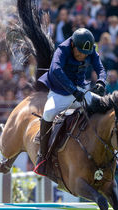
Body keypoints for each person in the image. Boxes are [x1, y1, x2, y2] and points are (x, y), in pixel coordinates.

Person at [35, 28, 105, 176]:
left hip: (80, 90)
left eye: (85, 54)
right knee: (48, 113)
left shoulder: (89, 49)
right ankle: (42, 157)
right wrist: (73, 90)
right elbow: (55, 70)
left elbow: (100, 68)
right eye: (79, 52)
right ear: (73, 45)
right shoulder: (63, 49)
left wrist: (101, 82)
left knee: (104, 105)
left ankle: (111, 155)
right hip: (59, 92)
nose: (82, 56)